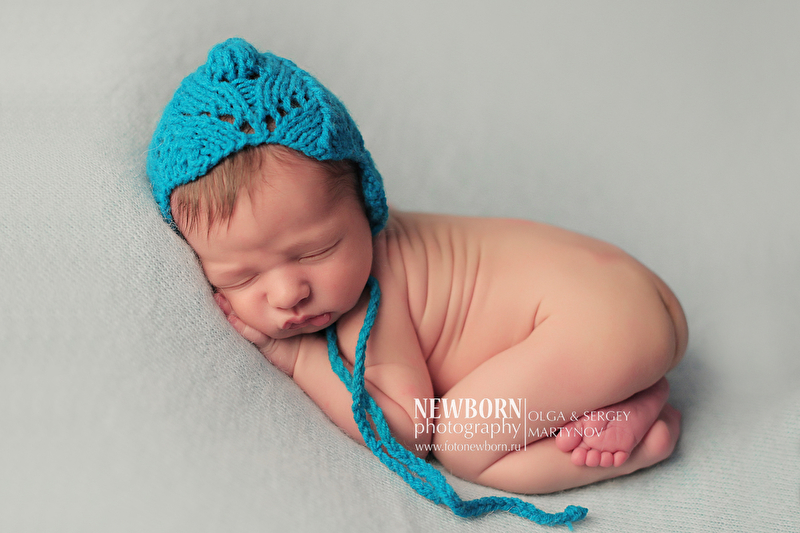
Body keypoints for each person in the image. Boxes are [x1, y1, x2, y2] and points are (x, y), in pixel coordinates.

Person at [148, 38, 687, 523]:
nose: (289, 292)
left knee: (462, 442)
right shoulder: (339, 248)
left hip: (602, 320)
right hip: (619, 295)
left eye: (317, 250)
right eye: (241, 277)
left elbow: (408, 430)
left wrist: (294, 357)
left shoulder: (372, 296)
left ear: (366, 204)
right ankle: (624, 393)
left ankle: (647, 435)